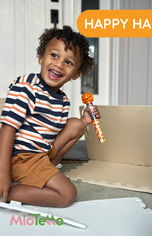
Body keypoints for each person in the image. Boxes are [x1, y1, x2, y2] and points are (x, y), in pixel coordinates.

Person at [0, 26, 100, 207]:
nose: (59, 64)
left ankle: (43, 172)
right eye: (54, 55)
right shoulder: (26, 86)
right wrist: (3, 173)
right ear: (41, 57)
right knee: (67, 195)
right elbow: (7, 128)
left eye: (69, 62)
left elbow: (54, 133)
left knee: (76, 124)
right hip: (21, 156)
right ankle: (5, 191)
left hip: (40, 153)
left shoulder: (62, 100)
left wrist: (85, 121)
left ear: (76, 74)